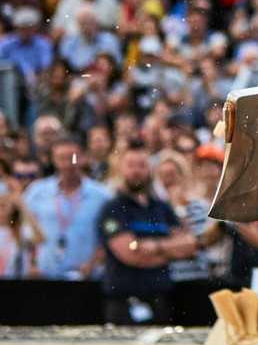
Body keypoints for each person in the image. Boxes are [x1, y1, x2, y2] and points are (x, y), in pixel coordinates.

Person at [98, 141, 196, 325]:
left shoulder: (161, 208)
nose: (136, 171)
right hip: (123, 303)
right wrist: (169, 252)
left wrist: (155, 247)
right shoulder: (112, 209)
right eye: (131, 165)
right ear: (121, 169)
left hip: (161, 300)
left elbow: (189, 245)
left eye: (142, 165)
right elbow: (130, 254)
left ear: (150, 169)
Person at [24, 135, 113, 279]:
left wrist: (93, 263)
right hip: (43, 276)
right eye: (61, 158)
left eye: (73, 157)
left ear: (83, 157)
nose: (68, 164)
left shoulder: (102, 196)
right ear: (53, 159)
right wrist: (31, 264)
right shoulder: (36, 192)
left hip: (85, 277)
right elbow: (25, 232)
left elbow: (109, 235)